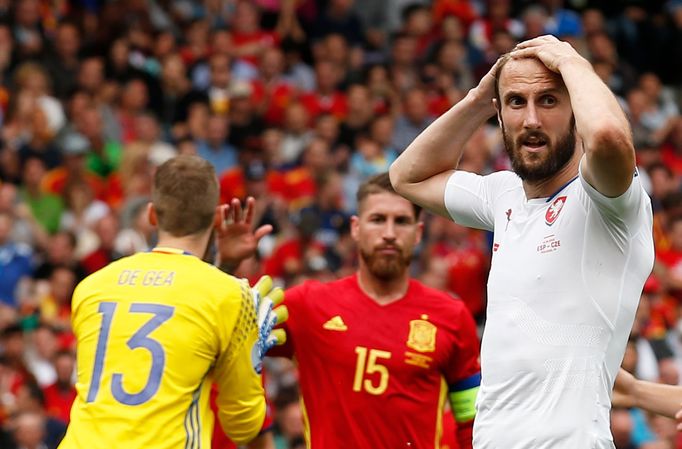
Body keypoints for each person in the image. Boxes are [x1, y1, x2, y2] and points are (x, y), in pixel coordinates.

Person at [389, 35, 654, 448]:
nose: (531, 119)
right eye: (516, 102)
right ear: (501, 115)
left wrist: (570, 60)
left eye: (548, 100)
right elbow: (407, 176)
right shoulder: (504, 196)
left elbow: (606, 136)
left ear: (575, 111)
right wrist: (480, 97)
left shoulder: (608, 201)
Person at [228, 173, 482, 449]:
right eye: (377, 219)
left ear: (418, 233)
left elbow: (471, 419)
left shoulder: (452, 316)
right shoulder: (307, 305)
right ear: (356, 228)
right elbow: (230, 331)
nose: (389, 233)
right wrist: (226, 264)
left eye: (401, 221)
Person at [58, 155, 285, 449]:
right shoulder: (231, 296)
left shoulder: (91, 286)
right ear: (217, 219)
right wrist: (252, 351)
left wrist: (222, 267)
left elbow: (175, 303)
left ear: (152, 215)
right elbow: (243, 425)